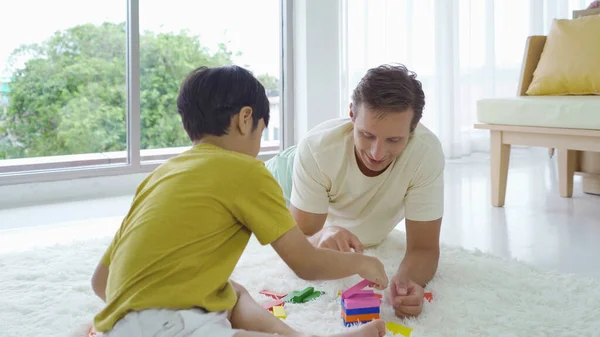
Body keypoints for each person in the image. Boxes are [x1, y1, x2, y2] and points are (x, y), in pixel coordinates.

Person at [89, 65, 389, 337]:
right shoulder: (246, 171)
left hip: (116, 325)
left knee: (229, 293)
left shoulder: (159, 176)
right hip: (170, 327)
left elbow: (100, 281)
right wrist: (362, 262)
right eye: (260, 131)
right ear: (246, 120)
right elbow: (306, 264)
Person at [266, 64, 444, 319]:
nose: (377, 153)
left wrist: (407, 283)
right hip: (283, 181)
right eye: (366, 135)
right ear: (351, 113)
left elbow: (424, 247)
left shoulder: (426, 154)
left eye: (393, 140)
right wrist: (322, 235)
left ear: (413, 130)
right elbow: (300, 239)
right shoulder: (317, 149)